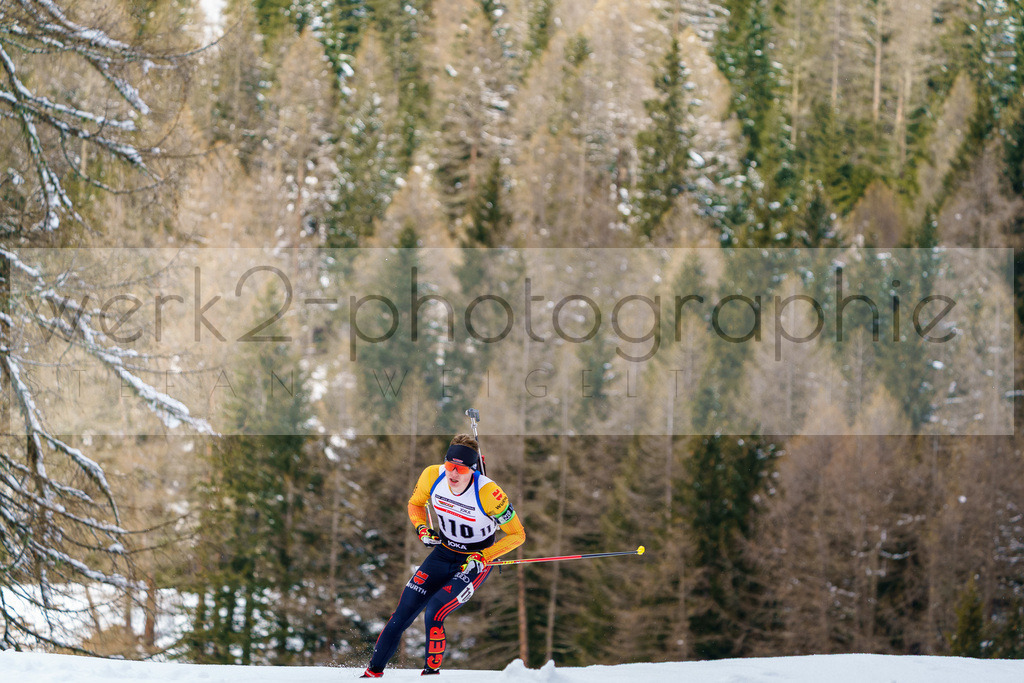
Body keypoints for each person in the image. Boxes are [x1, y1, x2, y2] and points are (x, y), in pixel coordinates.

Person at [360, 434, 526, 677]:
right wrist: (422, 528)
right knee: (402, 613)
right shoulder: (431, 475)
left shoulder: (490, 493)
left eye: (460, 469)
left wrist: (484, 555)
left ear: (472, 469)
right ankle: (372, 673)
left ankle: (431, 675)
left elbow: (517, 535)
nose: (453, 474)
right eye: (449, 466)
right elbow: (415, 504)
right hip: (443, 553)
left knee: (435, 610)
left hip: (474, 562)